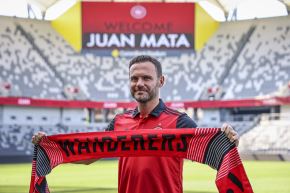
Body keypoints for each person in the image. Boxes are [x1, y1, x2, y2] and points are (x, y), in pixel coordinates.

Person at [32, 55, 239, 193]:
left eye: (147, 78)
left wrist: (229, 141)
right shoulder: (119, 122)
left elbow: (211, 148)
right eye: (134, 78)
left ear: (161, 81)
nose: (139, 83)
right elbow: (90, 155)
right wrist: (50, 146)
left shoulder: (179, 121)